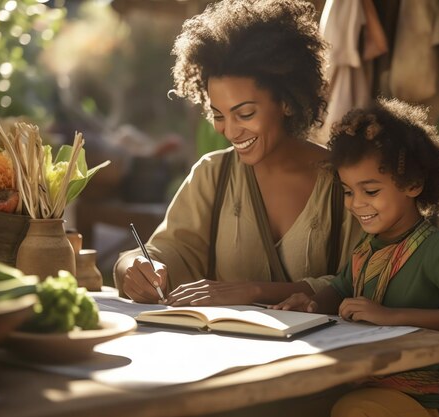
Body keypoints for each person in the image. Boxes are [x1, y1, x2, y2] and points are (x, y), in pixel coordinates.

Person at [113, 0, 362, 306]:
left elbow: (363, 279)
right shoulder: (212, 175)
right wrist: (134, 266)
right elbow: (167, 250)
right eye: (219, 115)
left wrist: (253, 291)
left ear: (286, 101)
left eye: (244, 114)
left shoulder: (346, 180)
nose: (230, 132)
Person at [273, 98, 439, 417]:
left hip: (422, 400)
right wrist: (310, 304)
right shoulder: (366, 249)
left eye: (371, 191)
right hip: (363, 384)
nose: (355, 204)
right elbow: (340, 289)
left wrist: (391, 315)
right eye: (349, 191)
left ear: (413, 184)